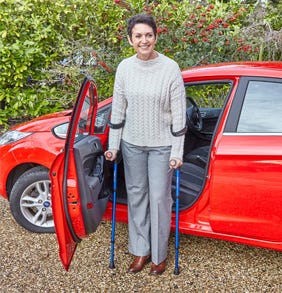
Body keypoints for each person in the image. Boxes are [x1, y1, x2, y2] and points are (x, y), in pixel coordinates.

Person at [105, 13, 186, 275]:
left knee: (160, 199)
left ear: (156, 37)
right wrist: (113, 145)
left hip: (162, 146)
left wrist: (177, 151)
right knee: (137, 196)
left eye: (148, 35)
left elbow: (179, 115)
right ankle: (141, 251)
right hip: (132, 145)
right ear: (130, 40)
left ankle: (159, 255)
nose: (144, 40)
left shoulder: (170, 68)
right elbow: (118, 111)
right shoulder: (125, 68)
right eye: (138, 36)